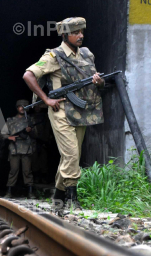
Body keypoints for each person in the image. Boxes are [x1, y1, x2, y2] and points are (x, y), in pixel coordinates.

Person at [23, 17, 104, 209]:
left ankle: (57, 198)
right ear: (65, 35)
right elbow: (29, 75)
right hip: (61, 111)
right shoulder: (53, 56)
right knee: (72, 155)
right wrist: (46, 99)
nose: (80, 36)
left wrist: (98, 82)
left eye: (82, 32)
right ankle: (72, 199)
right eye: (76, 32)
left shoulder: (86, 54)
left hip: (82, 110)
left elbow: (94, 78)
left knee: (70, 156)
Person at [1, 100, 37, 199]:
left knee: (27, 171)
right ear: (17, 108)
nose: (22, 108)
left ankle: (30, 192)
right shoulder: (10, 120)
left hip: (27, 148)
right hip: (14, 148)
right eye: (20, 106)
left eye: (25, 106)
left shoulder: (30, 120)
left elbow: (36, 135)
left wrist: (30, 131)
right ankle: (9, 192)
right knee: (13, 170)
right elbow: (2, 134)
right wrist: (9, 137)